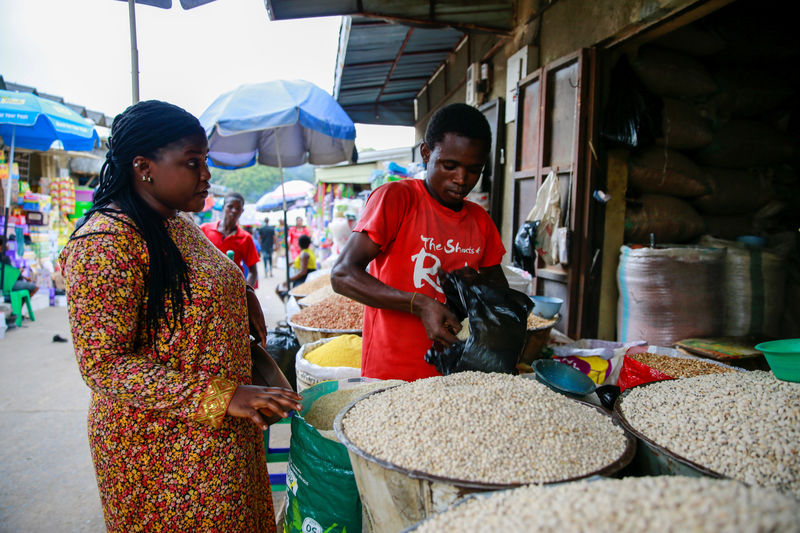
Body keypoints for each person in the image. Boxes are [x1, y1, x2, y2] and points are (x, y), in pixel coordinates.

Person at [58, 100, 301, 532]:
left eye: (205, 160)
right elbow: (104, 366)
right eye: (192, 162)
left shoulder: (175, 221)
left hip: (221, 436)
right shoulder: (104, 243)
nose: (206, 174)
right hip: (163, 454)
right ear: (143, 166)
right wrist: (222, 396)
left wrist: (239, 295)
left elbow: (196, 280)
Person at [331, 103, 507, 382]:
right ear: (426, 153)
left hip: (455, 377)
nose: (461, 179)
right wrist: (420, 304)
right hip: (391, 375)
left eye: (474, 170)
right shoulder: (396, 199)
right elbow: (342, 275)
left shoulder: (481, 222)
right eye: (449, 165)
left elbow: (497, 295)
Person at [201, 192, 260, 286]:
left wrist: (245, 292)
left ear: (242, 211)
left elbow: (253, 272)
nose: (234, 211)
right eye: (230, 206)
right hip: (206, 286)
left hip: (232, 288)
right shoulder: (204, 230)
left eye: (238, 208)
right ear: (223, 207)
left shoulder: (246, 238)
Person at [275, 234, 316, 300]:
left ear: (299, 244)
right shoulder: (309, 251)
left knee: (281, 290)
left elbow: (303, 272)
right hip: (306, 276)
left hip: (304, 279)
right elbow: (301, 261)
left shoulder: (304, 254)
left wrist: (289, 280)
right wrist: (292, 263)